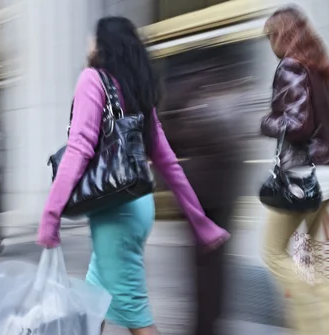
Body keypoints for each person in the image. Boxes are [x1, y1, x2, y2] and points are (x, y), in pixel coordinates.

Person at [36, 17, 230, 335]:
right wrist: (200, 222)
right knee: (91, 304)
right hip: (136, 206)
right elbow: (168, 162)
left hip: (115, 214)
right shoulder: (135, 89)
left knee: (136, 317)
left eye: (92, 38)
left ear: (102, 45)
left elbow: (79, 149)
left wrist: (50, 214)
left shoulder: (92, 80)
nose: (87, 43)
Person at [260, 6, 329, 335]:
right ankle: (314, 326)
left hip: (306, 177)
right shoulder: (320, 65)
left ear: (282, 35)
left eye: (271, 36)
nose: (270, 44)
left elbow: (298, 125)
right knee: (311, 254)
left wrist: (266, 121)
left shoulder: (290, 65)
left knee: (273, 252)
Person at [159, 43, 251, 335]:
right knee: (217, 264)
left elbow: (165, 136)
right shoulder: (228, 83)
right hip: (224, 187)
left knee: (202, 266)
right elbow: (237, 139)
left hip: (199, 191)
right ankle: (210, 324)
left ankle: (204, 326)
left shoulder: (182, 89)